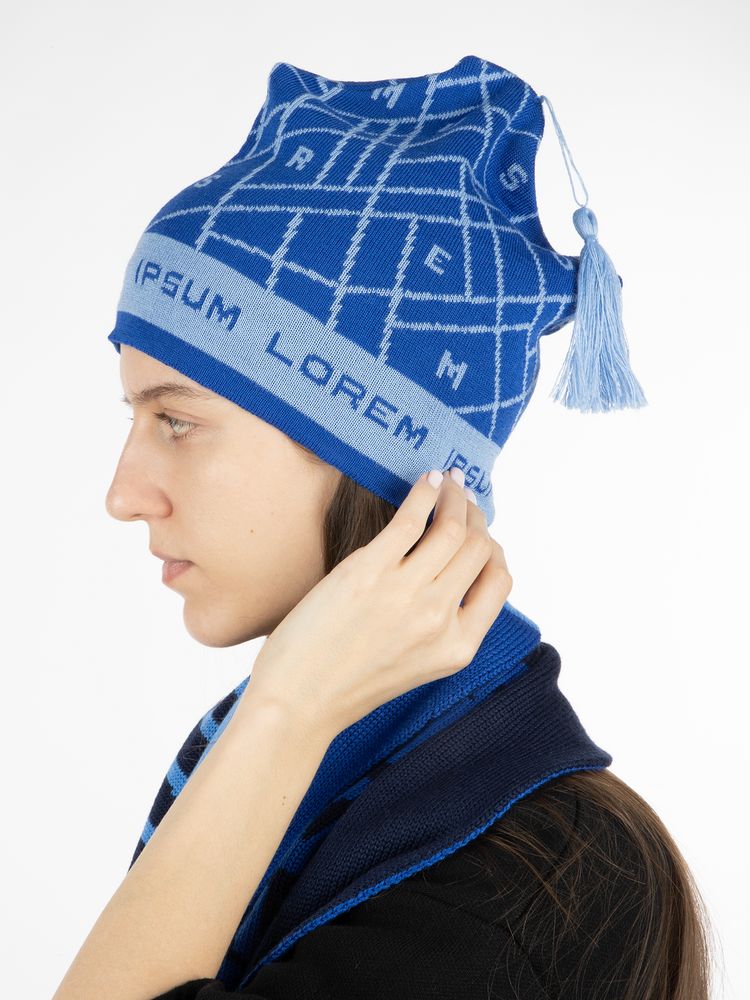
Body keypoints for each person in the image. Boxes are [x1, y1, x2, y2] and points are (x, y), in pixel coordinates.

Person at [53, 55, 716, 999]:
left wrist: (285, 712)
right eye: (134, 417)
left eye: (178, 421)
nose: (124, 495)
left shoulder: (549, 883)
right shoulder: (313, 791)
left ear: (371, 452)